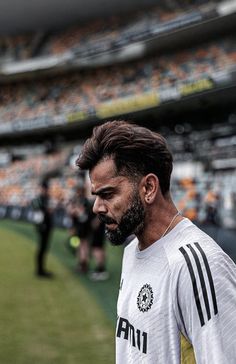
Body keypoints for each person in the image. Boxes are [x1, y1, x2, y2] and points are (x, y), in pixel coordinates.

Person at [76, 120, 236, 364]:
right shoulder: (132, 250)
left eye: (107, 194)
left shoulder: (199, 265)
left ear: (149, 188)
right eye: (96, 196)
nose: (97, 207)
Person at [33, 179, 53, 278]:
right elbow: (38, 212)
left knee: (44, 248)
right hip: (43, 226)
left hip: (47, 225)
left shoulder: (46, 198)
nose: (45, 190)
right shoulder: (40, 199)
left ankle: (41, 269)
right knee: (42, 248)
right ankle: (40, 270)